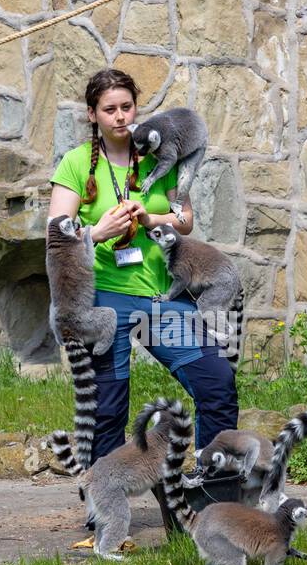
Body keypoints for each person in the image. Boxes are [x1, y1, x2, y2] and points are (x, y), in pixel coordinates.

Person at [47, 68, 239, 464]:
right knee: (107, 409)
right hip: (104, 301)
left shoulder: (157, 154)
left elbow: (185, 220)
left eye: (127, 107)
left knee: (216, 382)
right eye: (109, 109)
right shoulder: (77, 163)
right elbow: (55, 237)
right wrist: (98, 231)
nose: (120, 117)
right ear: (92, 115)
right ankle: (104, 506)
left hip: (159, 297)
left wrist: (151, 220)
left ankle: (214, 488)